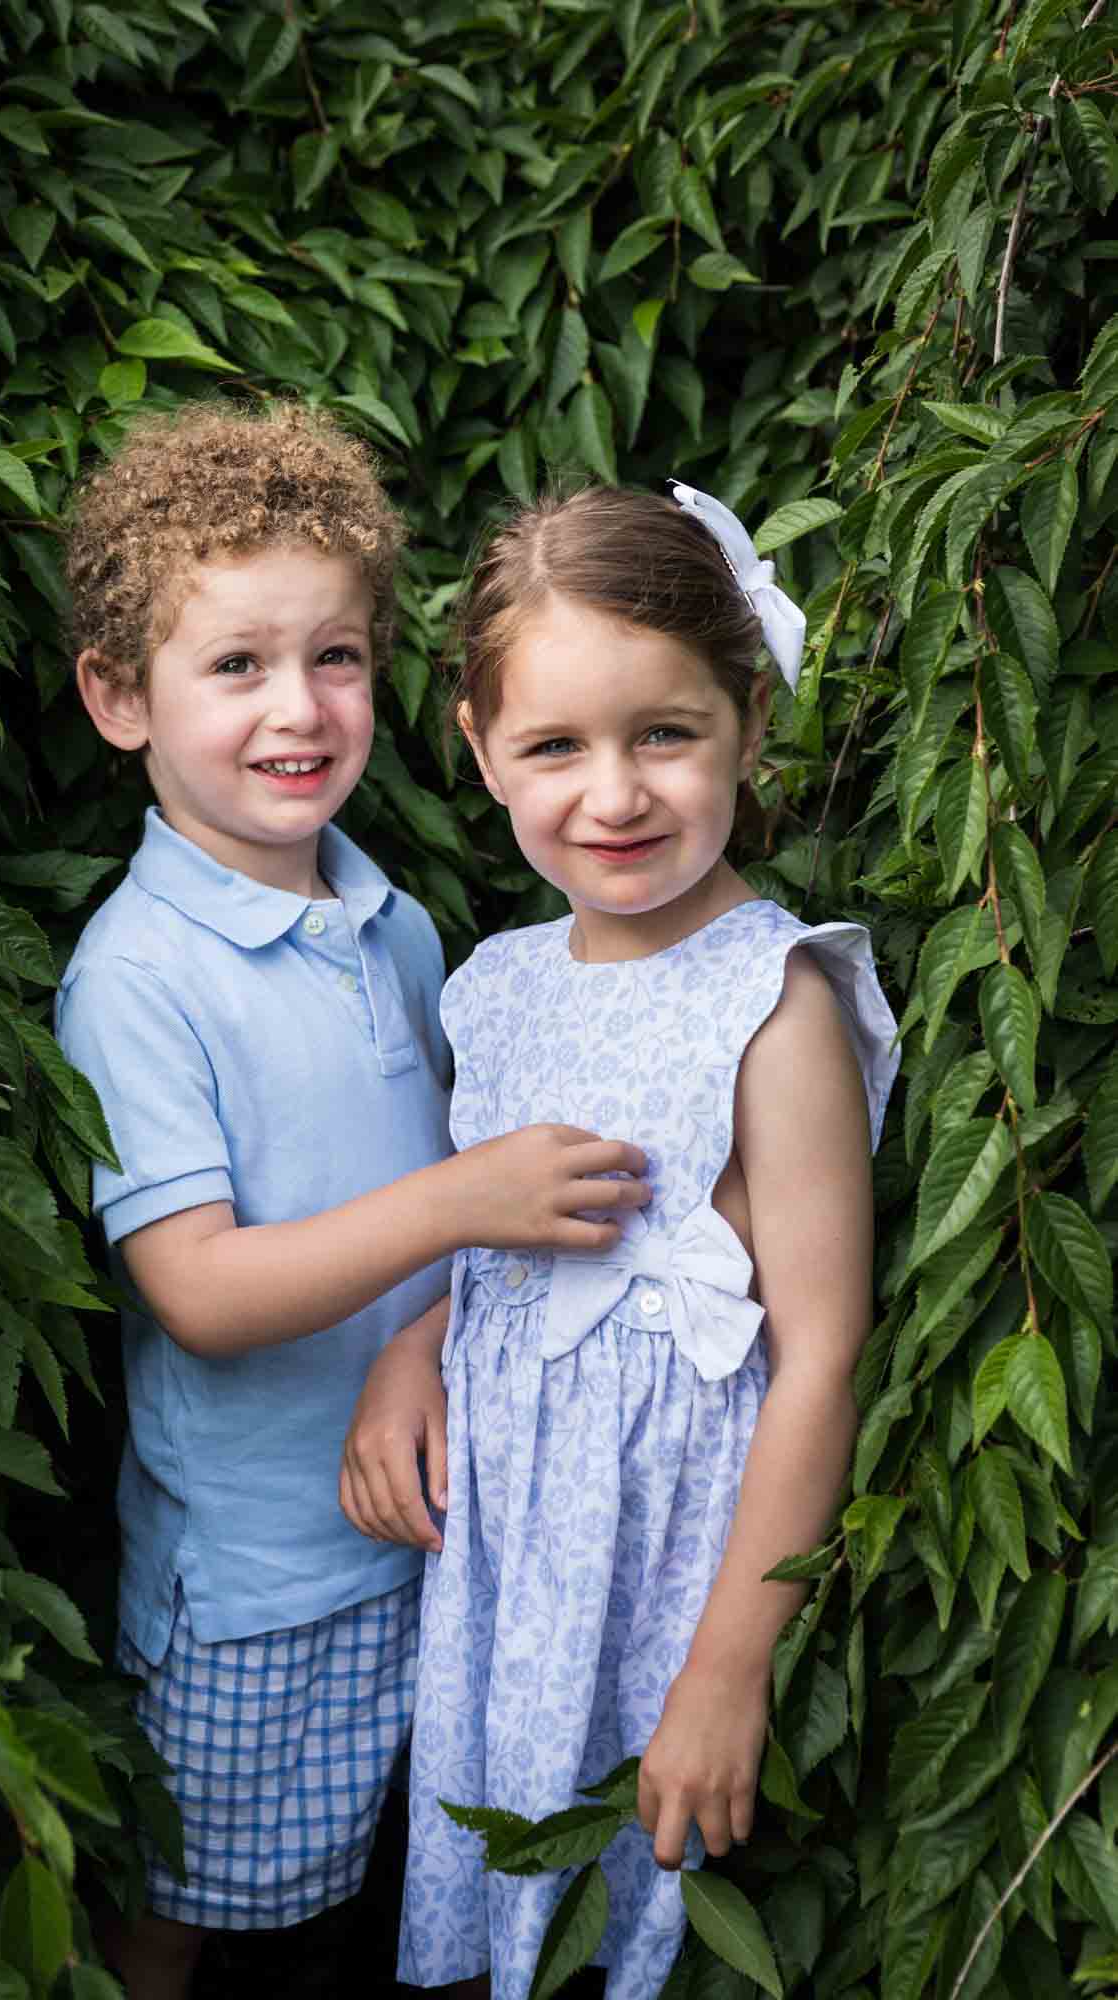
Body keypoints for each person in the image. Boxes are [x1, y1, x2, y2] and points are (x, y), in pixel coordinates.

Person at [54, 403, 651, 2000]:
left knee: (400, 1899)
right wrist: (465, 1201)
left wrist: (444, 1288)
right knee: (185, 1906)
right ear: (122, 700)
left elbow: (447, 1234)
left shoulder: (386, 922)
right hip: (259, 1574)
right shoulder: (139, 977)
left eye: (336, 657)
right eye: (234, 667)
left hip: (431, 1519)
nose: (298, 709)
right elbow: (201, 1291)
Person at [341, 480, 899, 1999]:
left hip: (669, 1551)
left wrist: (726, 1667)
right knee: (503, 1863)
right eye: (553, 747)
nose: (614, 795)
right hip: (513, 1541)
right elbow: (509, 1255)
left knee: (640, 1910)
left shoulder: (769, 1002)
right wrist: (416, 1344)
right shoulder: (496, 984)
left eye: (665, 733)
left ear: (745, 721)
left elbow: (818, 1349)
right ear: (477, 749)